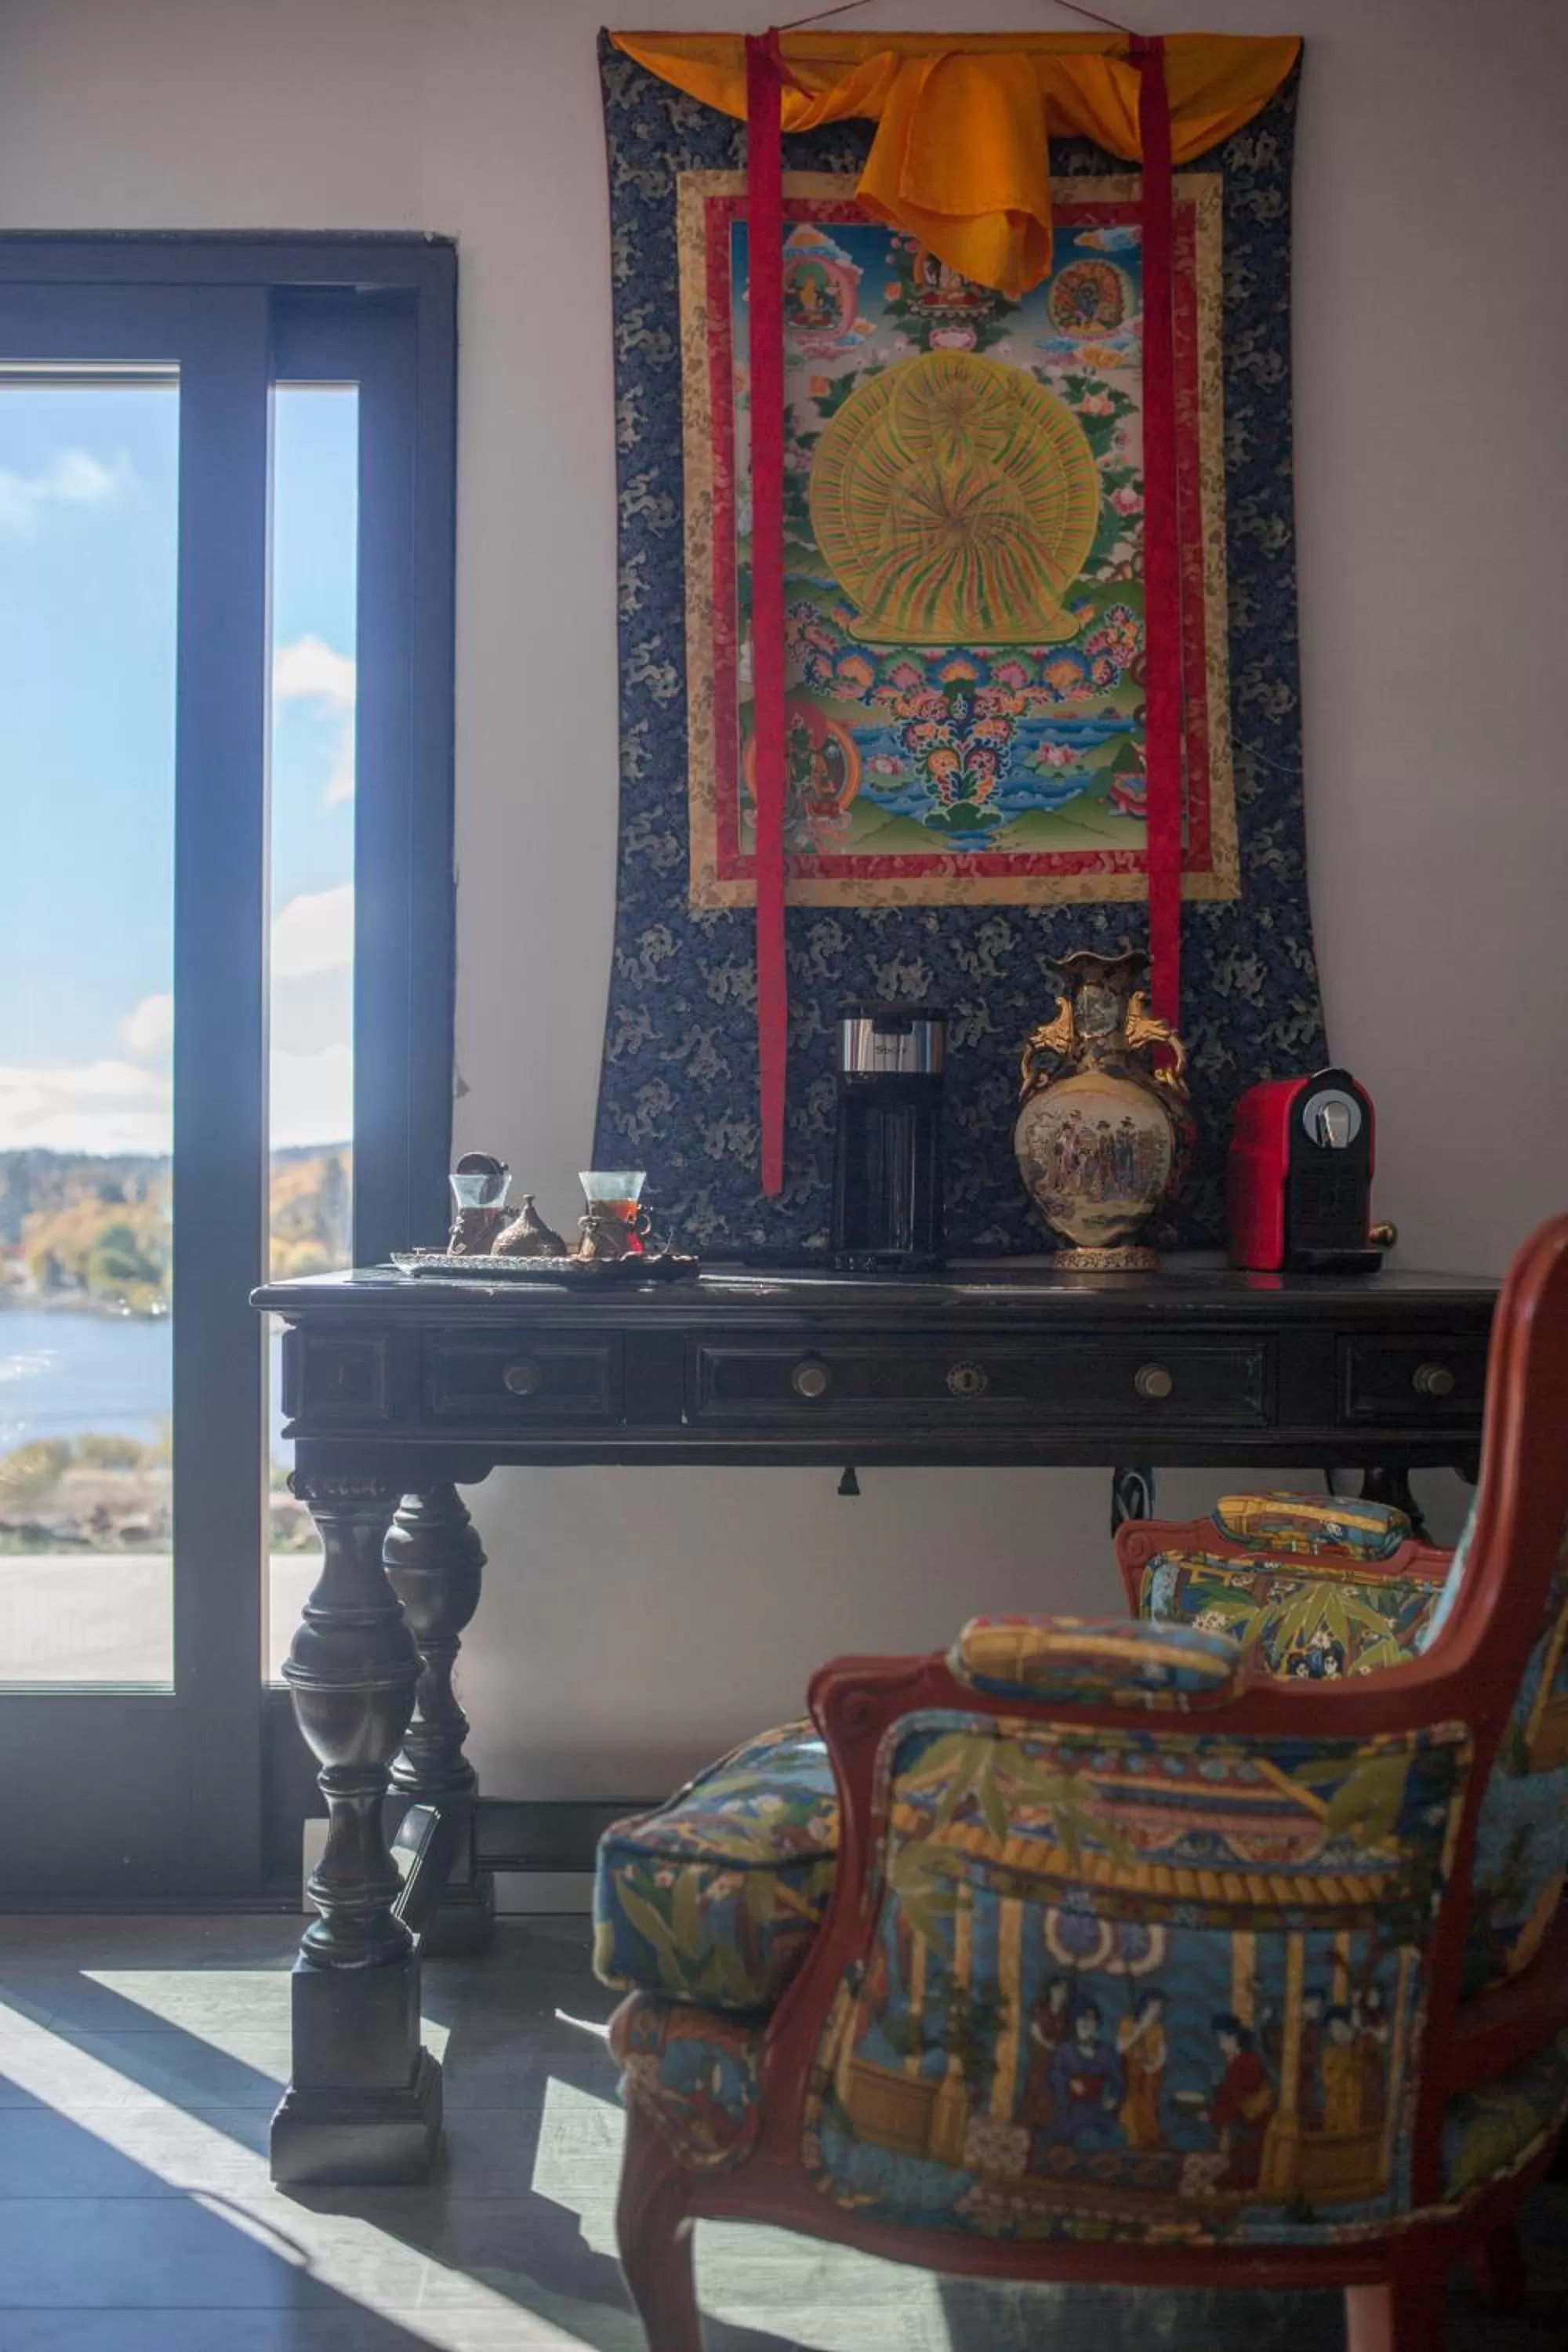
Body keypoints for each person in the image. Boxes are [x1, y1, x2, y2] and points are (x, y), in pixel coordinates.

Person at [1040, 2000, 1124, 2154]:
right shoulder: (1065, 2050)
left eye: (1091, 2020)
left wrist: (1113, 2097)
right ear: (1075, 2024)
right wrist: (1069, 2082)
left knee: (1117, 2139)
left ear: (1097, 2025)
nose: (1086, 2024)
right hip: (1072, 2109)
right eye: (1082, 2020)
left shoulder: (1106, 2051)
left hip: (1099, 2108)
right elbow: (1054, 2076)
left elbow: (1117, 2080)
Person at [1208, 2013, 1274, 2190]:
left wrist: (1212, 2115)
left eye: (1222, 2038)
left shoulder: (1245, 2063)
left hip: (1249, 2126)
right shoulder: (1240, 2061)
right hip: (1244, 2121)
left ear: (1234, 2038)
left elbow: (1238, 2101)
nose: (1220, 2044)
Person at [1020, 1974, 1073, 2132]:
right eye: (1058, 1989)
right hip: (1039, 2060)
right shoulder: (1040, 2009)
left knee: (1051, 2097)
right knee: (1035, 2092)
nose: (1061, 1993)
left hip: (1056, 2063)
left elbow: (1066, 2041)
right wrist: (1048, 2045)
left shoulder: (1065, 2016)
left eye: (1064, 1990)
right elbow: (1035, 2032)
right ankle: (1027, 2128)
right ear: (1050, 1990)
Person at [1116, 1989, 1167, 2150]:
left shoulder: (1158, 2029)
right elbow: (1120, 2047)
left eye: (1159, 2007)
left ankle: (1149, 2136)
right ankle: (1131, 2137)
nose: (1156, 2010)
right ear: (1144, 2006)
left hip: (1150, 2075)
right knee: (1132, 2098)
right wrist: (1140, 2029)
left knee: (1149, 2095)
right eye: (1153, 2006)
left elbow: (1162, 2056)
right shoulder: (1128, 2023)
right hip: (1129, 2072)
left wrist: (1152, 2068)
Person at [1320, 2005, 1362, 2136]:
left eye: (1341, 2027)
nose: (1339, 2032)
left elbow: (1360, 2072)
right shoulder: (1329, 2054)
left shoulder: (1356, 2052)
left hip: (1354, 2102)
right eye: (1334, 2029)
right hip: (1335, 2105)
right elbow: (1327, 2081)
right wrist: (1342, 2066)